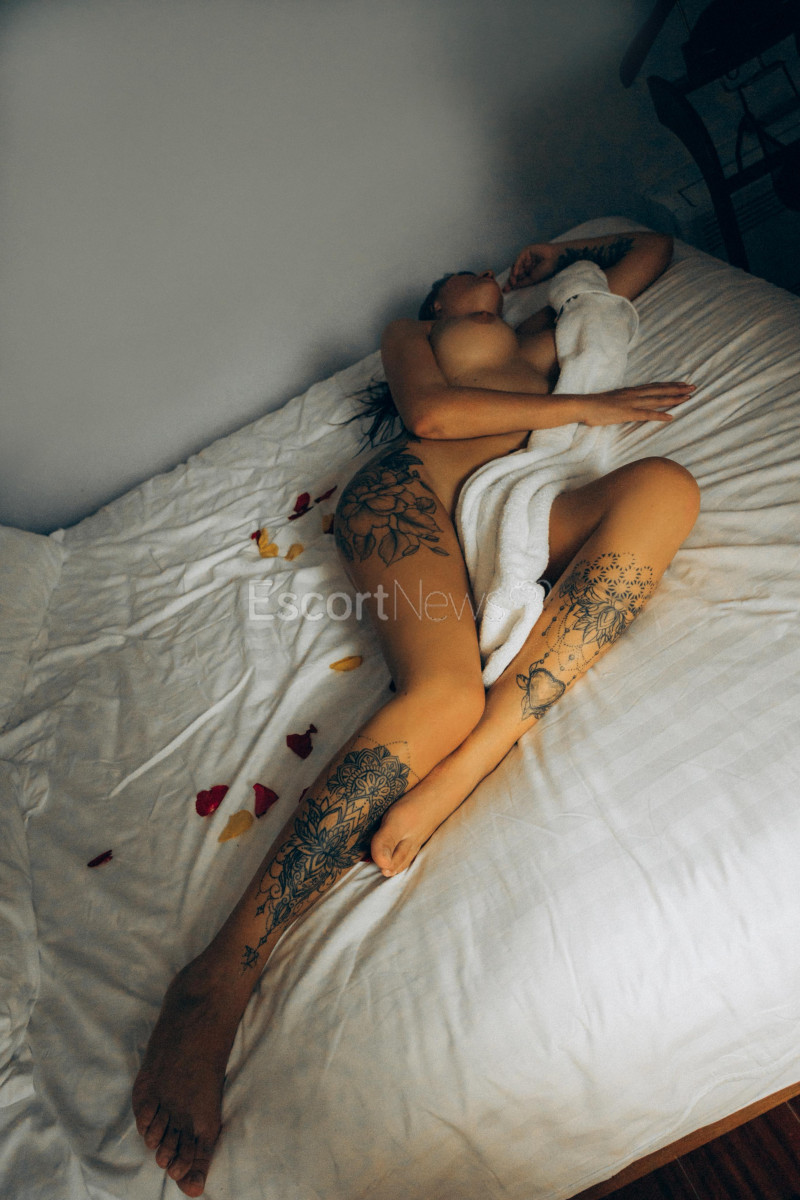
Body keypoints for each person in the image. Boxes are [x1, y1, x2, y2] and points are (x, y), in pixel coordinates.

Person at [132, 230, 700, 1196]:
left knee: (666, 489)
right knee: (440, 694)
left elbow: (649, 251)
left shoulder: (541, 333)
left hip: (516, 505)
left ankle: (472, 762)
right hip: (411, 499)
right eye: (458, 276)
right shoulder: (416, 335)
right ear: (440, 303)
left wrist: (554, 256)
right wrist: (586, 406)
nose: (479, 270)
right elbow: (432, 417)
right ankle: (217, 980)